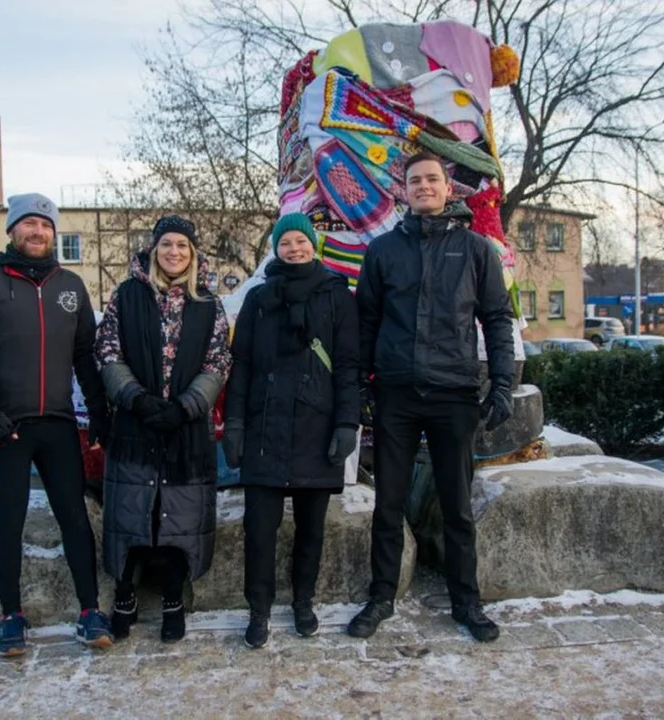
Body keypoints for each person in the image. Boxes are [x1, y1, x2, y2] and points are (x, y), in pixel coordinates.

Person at [348, 151, 515, 642]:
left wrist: (501, 383)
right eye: (415, 180)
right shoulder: (382, 252)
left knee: (457, 506)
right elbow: (365, 323)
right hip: (396, 395)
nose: (423, 186)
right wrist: (359, 384)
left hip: (454, 395)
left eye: (432, 180)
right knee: (388, 506)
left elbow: (497, 320)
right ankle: (381, 597)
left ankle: (467, 602)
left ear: (448, 189)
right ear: (404, 190)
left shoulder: (476, 250)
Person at [0, 193, 112, 657]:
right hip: (4, 426)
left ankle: (88, 613)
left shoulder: (71, 286)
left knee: (75, 519)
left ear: (54, 233)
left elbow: (85, 355)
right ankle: (11, 617)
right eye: (28, 224)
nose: (37, 232)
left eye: (45, 224)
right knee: (10, 521)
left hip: (58, 425)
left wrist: (98, 412)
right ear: (12, 231)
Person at [223, 213, 359, 649]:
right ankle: (258, 610)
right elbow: (240, 365)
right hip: (265, 427)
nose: (295, 248)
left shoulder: (337, 296)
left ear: (313, 245)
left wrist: (346, 423)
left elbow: (349, 366)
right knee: (259, 530)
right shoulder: (259, 299)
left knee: (311, 529)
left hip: (315, 429)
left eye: (302, 240)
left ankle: (304, 602)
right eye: (286, 242)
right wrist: (236, 424)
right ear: (275, 249)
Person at [95, 215, 230, 643]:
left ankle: (173, 596)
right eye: (167, 245)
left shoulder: (208, 302)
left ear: (193, 254)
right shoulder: (127, 294)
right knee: (134, 511)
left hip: (186, 429)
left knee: (178, 516)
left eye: (183, 246)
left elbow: (217, 361)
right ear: (154, 250)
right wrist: (136, 398)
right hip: (136, 423)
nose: (175, 252)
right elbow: (108, 351)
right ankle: (125, 594)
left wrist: (187, 406)